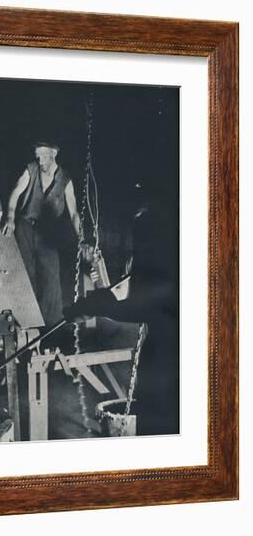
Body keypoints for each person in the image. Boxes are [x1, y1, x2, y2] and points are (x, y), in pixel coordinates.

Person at [63, 183, 179, 436]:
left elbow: (148, 302)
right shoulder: (165, 241)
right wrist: (101, 298)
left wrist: (92, 305)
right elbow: (134, 288)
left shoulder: (165, 250)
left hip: (172, 366)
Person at [2, 141, 81, 327]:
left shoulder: (65, 179)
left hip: (48, 232)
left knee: (50, 277)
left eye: (44, 156)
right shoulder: (31, 170)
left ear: (54, 154)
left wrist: (81, 238)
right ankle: (23, 323)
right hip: (25, 227)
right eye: (38, 157)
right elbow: (15, 193)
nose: (40, 161)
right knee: (25, 274)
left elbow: (74, 213)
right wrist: (11, 218)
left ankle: (51, 326)